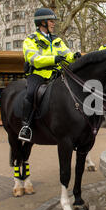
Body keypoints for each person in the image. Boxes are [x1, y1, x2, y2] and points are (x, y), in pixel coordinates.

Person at [19, 8, 80, 141]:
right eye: (51, 21)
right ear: (42, 23)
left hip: (56, 74)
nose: (53, 24)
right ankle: (26, 126)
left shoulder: (57, 40)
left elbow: (66, 54)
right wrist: (53, 59)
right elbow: (33, 59)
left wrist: (74, 56)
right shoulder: (30, 40)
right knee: (31, 94)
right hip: (39, 75)